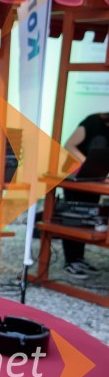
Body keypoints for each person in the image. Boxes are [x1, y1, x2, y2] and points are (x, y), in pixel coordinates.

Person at [60, 112, 109, 279]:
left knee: (87, 216)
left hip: (94, 177)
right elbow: (69, 145)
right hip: (74, 174)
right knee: (74, 217)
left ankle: (79, 258)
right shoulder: (93, 121)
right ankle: (70, 261)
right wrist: (87, 162)